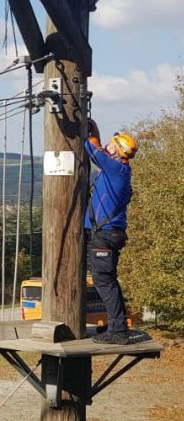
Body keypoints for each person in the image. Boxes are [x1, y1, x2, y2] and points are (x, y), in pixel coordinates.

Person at [85, 119, 138, 345]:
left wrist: (89, 127)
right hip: (109, 234)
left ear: (116, 149)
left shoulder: (115, 168)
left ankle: (118, 332)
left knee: (105, 283)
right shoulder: (120, 170)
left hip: (104, 236)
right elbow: (97, 144)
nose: (107, 146)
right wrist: (94, 124)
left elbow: (91, 146)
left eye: (111, 144)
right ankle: (117, 326)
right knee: (108, 282)